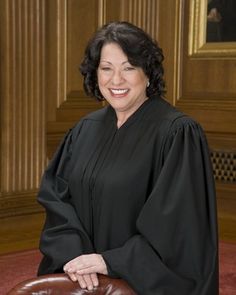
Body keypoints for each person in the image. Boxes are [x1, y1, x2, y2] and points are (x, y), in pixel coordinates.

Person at [37, 21, 219, 294]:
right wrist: (75, 257)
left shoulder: (177, 134)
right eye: (106, 69)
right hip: (82, 275)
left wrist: (111, 262)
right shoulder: (84, 130)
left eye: (129, 68)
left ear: (148, 73)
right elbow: (58, 199)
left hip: (138, 283)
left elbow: (178, 227)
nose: (116, 80)